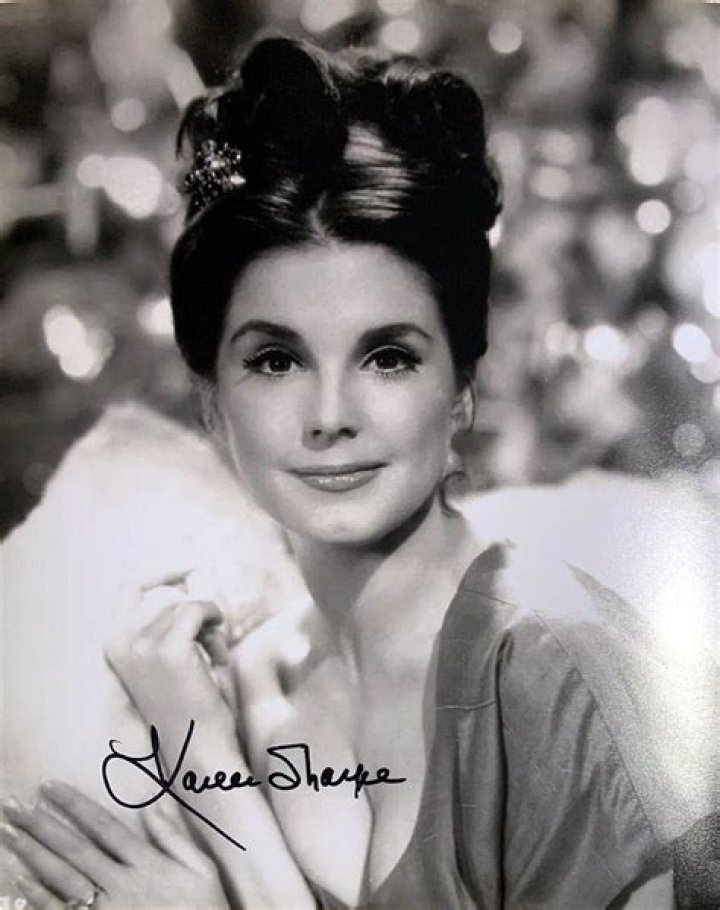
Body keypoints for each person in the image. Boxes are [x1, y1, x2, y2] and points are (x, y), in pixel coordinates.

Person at [1, 35, 716, 910]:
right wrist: (201, 745)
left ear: (461, 387)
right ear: (212, 403)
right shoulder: (219, 689)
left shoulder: (552, 672)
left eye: (388, 357)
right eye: (275, 361)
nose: (331, 413)